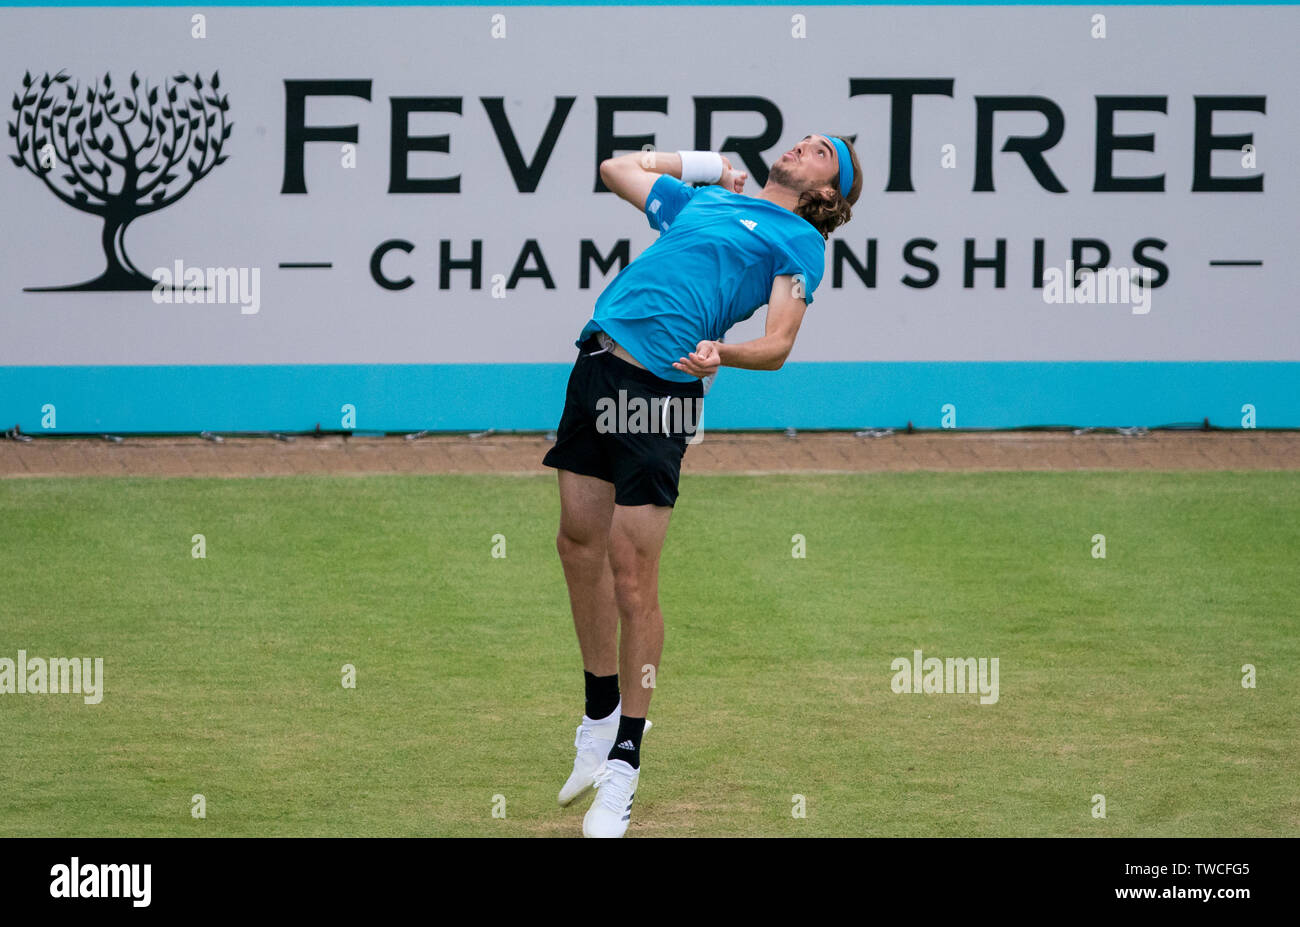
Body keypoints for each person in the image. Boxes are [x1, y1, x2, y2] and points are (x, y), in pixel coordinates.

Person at [542, 134, 863, 837]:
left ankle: (624, 763)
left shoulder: (801, 245)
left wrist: (726, 351)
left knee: (633, 580)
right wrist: (709, 165)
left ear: (828, 195)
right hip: (597, 365)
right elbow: (615, 168)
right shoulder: (708, 199)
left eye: (821, 153)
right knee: (576, 543)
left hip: (662, 392)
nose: (804, 145)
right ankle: (597, 716)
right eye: (806, 139)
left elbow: (778, 345)